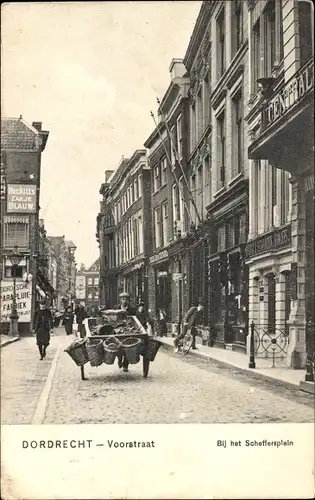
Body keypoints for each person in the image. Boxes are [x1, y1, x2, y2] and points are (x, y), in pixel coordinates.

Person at [117, 292, 136, 372]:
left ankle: (125, 365)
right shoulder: (116, 308)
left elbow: (135, 320)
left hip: (128, 330)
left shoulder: (132, 309)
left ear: (129, 301)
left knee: (128, 347)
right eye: (123, 299)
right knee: (118, 346)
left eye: (126, 299)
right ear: (120, 300)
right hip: (118, 329)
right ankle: (119, 359)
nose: (124, 301)